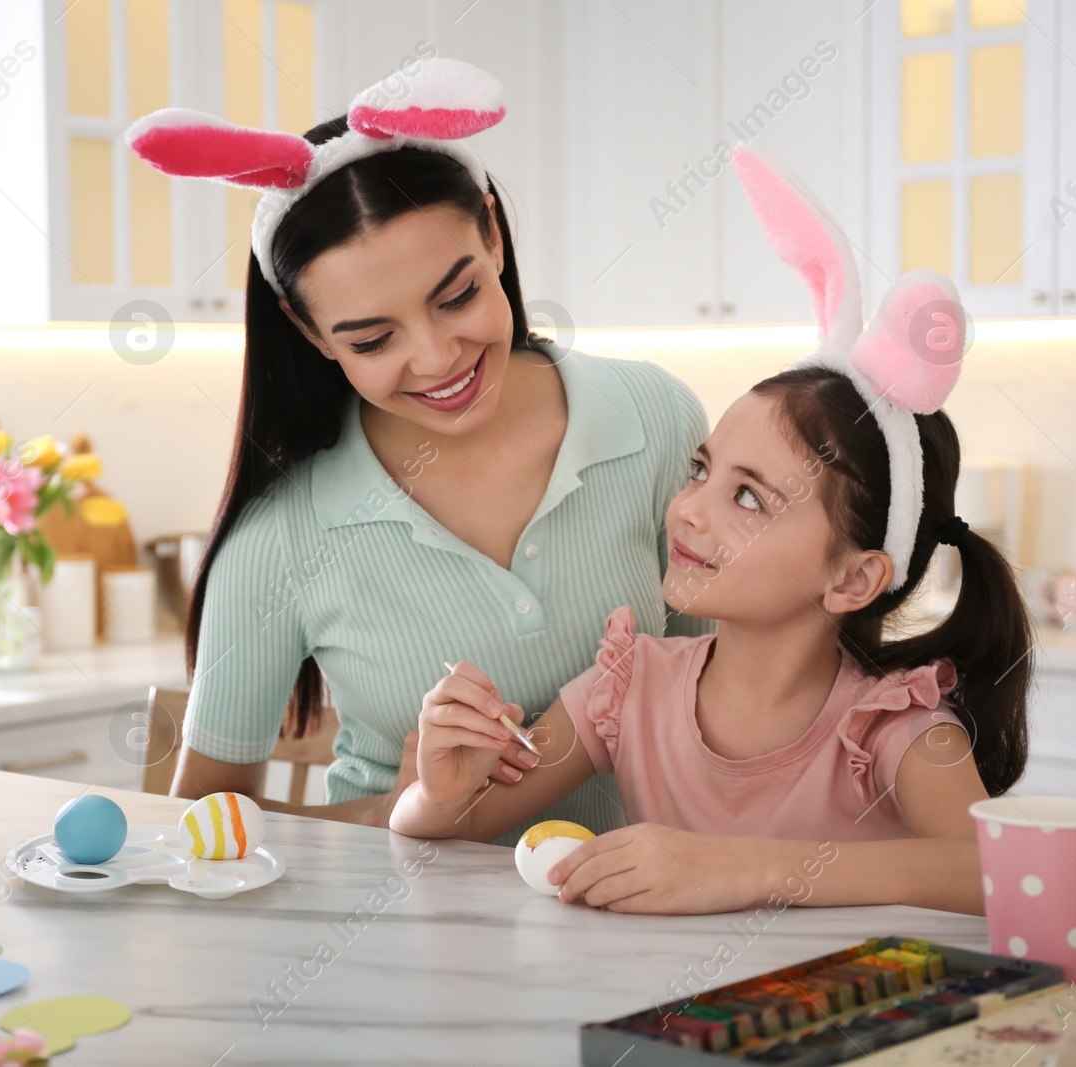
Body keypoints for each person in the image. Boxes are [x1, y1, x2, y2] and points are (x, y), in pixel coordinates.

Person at [390, 148, 1032, 915]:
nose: (690, 508)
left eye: (751, 499)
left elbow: (1000, 876)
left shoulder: (891, 726)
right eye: (701, 470)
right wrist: (435, 792)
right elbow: (447, 831)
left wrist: (739, 867)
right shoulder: (626, 691)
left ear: (853, 578)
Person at [126, 60, 710, 836]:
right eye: (373, 338)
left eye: (458, 295)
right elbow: (199, 817)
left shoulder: (656, 419)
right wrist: (404, 807)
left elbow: (732, 695)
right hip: (402, 936)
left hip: (655, 924)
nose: (438, 358)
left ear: (494, 234)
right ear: (308, 332)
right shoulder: (285, 533)